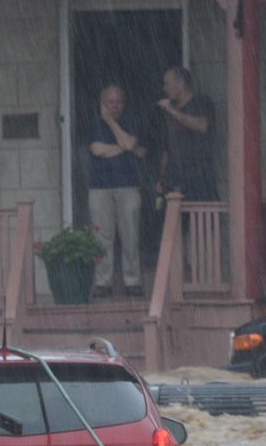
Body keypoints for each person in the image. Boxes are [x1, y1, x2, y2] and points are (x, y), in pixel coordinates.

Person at [88, 83, 147, 299]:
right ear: (102, 103)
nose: (115, 105)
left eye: (119, 101)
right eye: (110, 102)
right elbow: (97, 149)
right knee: (102, 237)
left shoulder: (131, 121)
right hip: (100, 187)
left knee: (130, 234)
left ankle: (133, 281)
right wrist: (127, 148)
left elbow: (130, 141)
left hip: (128, 185)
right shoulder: (94, 123)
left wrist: (112, 124)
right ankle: (103, 282)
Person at [157, 66, 218, 203]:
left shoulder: (201, 102)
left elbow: (202, 126)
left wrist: (173, 111)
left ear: (181, 83)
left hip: (199, 176)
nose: (164, 88)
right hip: (174, 178)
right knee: (174, 220)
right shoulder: (168, 112)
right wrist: (162, 178)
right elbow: (166, 150)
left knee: (202, 221)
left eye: (167, 83)